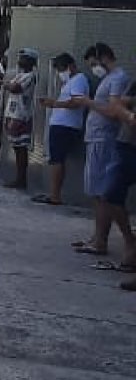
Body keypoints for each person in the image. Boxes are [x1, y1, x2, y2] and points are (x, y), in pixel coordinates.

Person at [74, 43, 127, 256]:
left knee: (101, 192)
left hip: (105, 139)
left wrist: (88, 102)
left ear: (103, 57)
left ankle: (101, 241)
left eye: (95, 64)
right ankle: (96, 236)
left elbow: (115, 112)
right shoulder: (108, 79)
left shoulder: (118, 79)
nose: (94, 68)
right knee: (96, 192)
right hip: (96, 137)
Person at [33, 53, 89, 205]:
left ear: (71, 66)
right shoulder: (71, 81)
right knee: (56, 159)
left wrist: (55, 103)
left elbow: (77, 102)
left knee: (57, 160)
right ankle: (53, 193)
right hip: (61, 125)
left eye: (62, 69)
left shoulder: (79, 80)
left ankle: (55, 195)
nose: (60, 73)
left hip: (66, 126)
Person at [102, 86, 136, 283]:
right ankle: (130, 240)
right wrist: (130, 117)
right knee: (110, 193)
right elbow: (117, 105)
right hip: (127, 146)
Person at [2, 49, 39, 189]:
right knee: (16, 147)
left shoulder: (30, 76)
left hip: (22, 115)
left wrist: (5, 84)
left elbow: (15, 88)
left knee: (21, 147)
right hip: (12, 113)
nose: (20, 60)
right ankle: (18, 178)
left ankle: (21, 179)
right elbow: (9, 85)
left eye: (24, 58)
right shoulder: (20, 75)